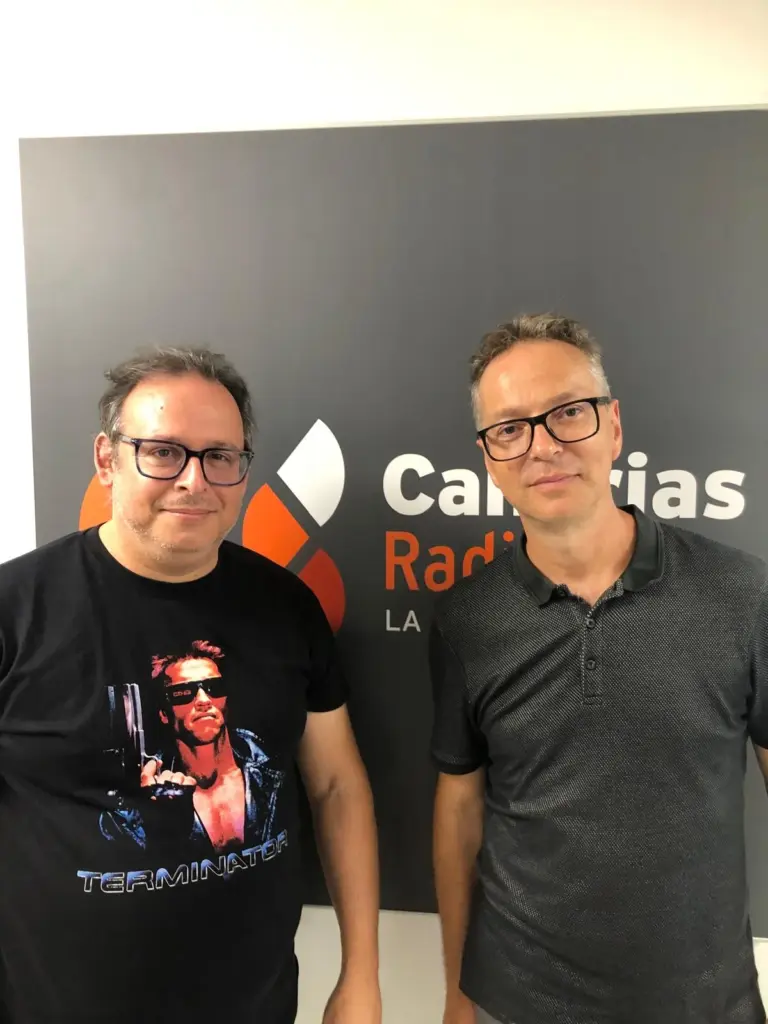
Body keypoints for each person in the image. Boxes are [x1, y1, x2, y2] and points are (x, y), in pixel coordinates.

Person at [0, 347, 381, 1024]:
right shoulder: (16, 610)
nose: (194, 480)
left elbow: (336, 786)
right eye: (163, 452)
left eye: (219, 457)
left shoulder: (288, 607)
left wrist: (361, 976)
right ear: (107, 459)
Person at [430, 314, 768, 1024]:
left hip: (707, 1005)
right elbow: (459, 811)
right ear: (489, 458)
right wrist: (458, 993)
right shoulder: (466, 619)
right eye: (510, 428)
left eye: (567, 413)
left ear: (612, 426)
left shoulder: (742, 594)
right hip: (514, 1003)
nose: (543, 446)